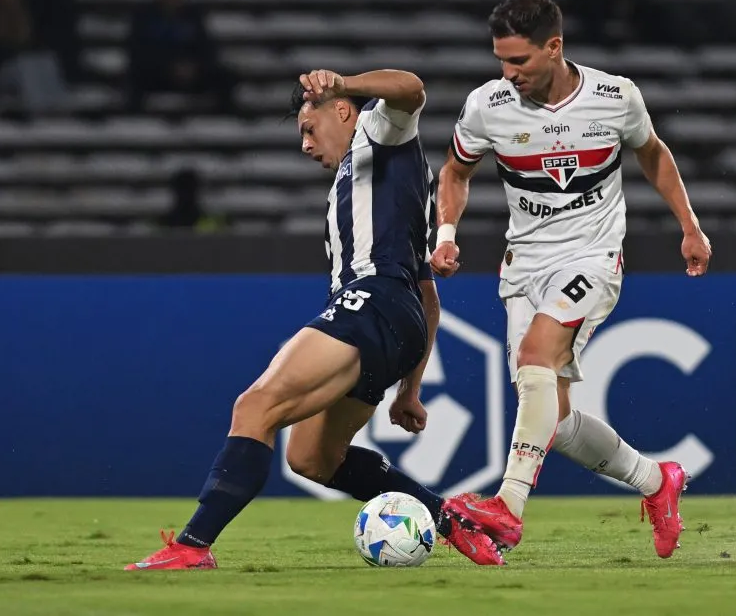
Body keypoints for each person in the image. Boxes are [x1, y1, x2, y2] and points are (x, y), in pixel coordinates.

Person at [125, 68, 505, 570]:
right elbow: (427, 298)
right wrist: (410, 389)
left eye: (310, 129)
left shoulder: (377, 132)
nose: (305, 145)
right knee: (311, 459)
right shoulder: (373, 191)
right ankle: (451, 519)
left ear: (343, 111)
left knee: (255, 406)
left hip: (372, 301)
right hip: (395, 318)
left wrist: (346, 83)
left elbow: (412, 88)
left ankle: (193, 546)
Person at [432, 0, 712, 559]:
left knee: (537, 357)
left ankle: (508, 508)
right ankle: (658, 482)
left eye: (519, 62)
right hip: (523, 266)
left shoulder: (615, 96)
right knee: (551, 421)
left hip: (592, 257)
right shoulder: (487, 106)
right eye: (501, 61)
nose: (508, 74)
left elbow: (653, 154)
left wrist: (690, 226)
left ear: (554, 47)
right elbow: (456, 171)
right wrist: (446, 233)